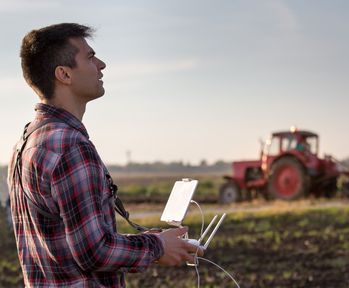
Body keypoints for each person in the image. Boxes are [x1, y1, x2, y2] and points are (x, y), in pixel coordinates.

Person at [7, 23, 202, 288]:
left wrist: (160, 242)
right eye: (89, 57)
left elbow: (75, 239)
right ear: (64, 74)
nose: (101, 64)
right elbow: (93, 252)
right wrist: (157, 246)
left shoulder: (25, 141)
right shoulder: (69, 145)